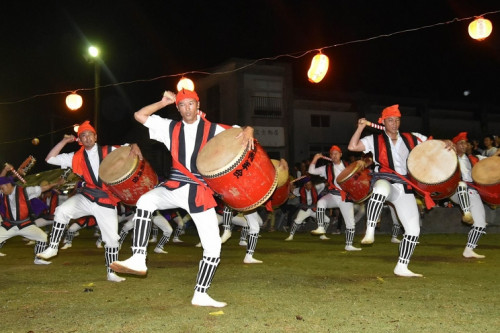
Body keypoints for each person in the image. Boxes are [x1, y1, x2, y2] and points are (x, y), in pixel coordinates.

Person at [110, 89, 255, 308]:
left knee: (213, 247)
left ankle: (201, 293)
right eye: (182, 105)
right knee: (144, 201)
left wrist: (250, 130)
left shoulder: (213, 128)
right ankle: (139, 257)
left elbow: (243, 129)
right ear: (177, 109)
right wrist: (163, 102)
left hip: (198, 191)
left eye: (191, 104)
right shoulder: (169, 127)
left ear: (198, 105)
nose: (187, 109)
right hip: (174, 186)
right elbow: (140, 116)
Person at [36, 121, 143, 283]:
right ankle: (52, 247)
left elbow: (129, 149)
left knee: (112, 239)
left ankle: (111, 272)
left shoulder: (109, 150)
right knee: (62, 211)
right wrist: (64, 141)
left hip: (106, 200)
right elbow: (50, 159)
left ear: (95, 136)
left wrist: (134, 145)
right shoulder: (75, 157)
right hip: (86, 196)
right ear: (80, 140)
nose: (87, 138)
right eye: (83, 136)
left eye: (89, 134)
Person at [348, 104, 442, 277]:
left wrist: (447, 143)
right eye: (390, 120)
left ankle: (402, 266)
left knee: (414, 231)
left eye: (397, 120)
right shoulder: (373, 140)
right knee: (381, 189)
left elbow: (434, 144)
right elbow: (352, 147)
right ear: (383, 122)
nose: (394, 123)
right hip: (385, 180)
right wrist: (360, 128)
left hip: (405, 186)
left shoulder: (412, 137)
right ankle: (370, 230)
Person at [449, 132, 499, 258]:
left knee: (481, 224)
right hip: (455, 191)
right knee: (461, 184)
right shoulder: (448, 158)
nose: (464, 145)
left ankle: (469, 250)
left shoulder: (474, 158)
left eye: (465, 143)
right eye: (461, 143)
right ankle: (466, 213)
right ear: (455, 145)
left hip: (472, 192)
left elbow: (491, 159)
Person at [0, 167, 64, 264]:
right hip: (9, 225)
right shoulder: (3, 192)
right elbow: (1, 179)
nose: (1, 190)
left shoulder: (26, 191)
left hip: (25, 224)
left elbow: (43, 188)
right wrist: (5, 169)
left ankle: (38, 259)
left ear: (8, 185)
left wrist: (56, 184)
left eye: (2, 188)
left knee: (42, 236)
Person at [308, 146, 362, 251]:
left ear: (341, 154)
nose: (334, 155)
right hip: (333, 195)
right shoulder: (326, 168)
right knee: (321, 202)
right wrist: (315, 158)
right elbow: (311, 171)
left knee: (350, 223)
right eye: (332, 154)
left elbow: (360, 175)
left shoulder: (349, 165)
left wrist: (360, 164)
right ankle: (321, 227)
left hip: (345, 197)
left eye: (336, 153)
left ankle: (349, 245)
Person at [284, 177, 330, 241]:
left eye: (310, 184)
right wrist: (290, 185)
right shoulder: (300, 190)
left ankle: (322, 235)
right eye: (308, 184)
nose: (310, 186)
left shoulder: (317, 187)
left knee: (327, 220)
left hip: (314, 208)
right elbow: (292, 192)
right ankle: (291, 236)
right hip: (305, 209)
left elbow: (327, 183)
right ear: (304, 185)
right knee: (297, 221)